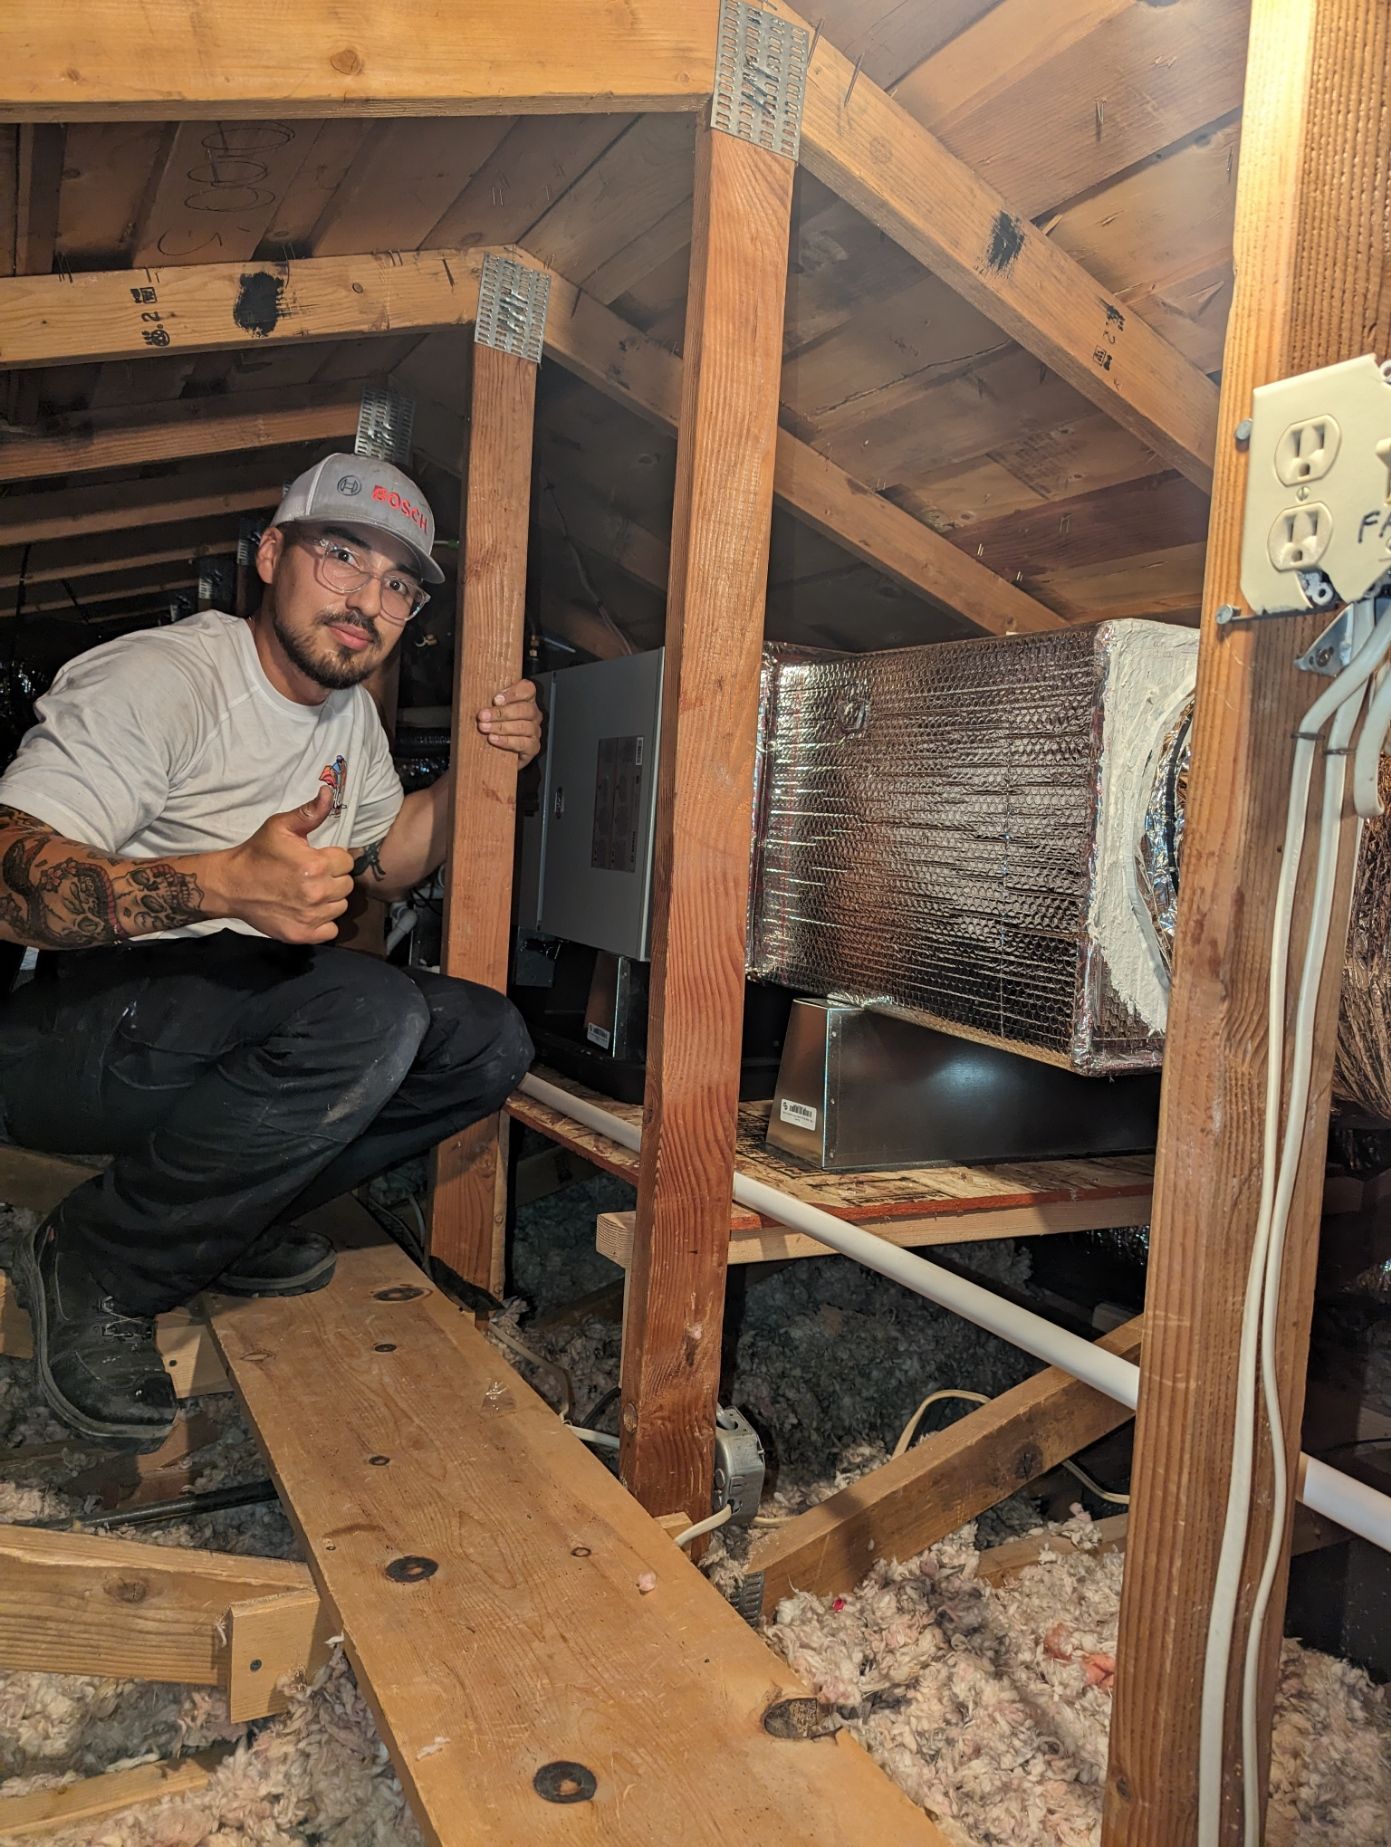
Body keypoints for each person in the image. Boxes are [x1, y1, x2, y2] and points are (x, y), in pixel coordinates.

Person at [0, 453, 540, 1449]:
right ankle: (97, 1259)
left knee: (486, 1039)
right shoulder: (163, 678)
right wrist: (220, 882)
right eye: (342, 555)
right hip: (63, 1031)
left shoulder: (345, 716)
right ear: (271, 554)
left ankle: (220, 1222)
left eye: (397, 585)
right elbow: (11, 881)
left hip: (216, 1009)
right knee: (364, 1008)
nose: (366, 600)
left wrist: (479, 770)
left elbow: (382, 864)